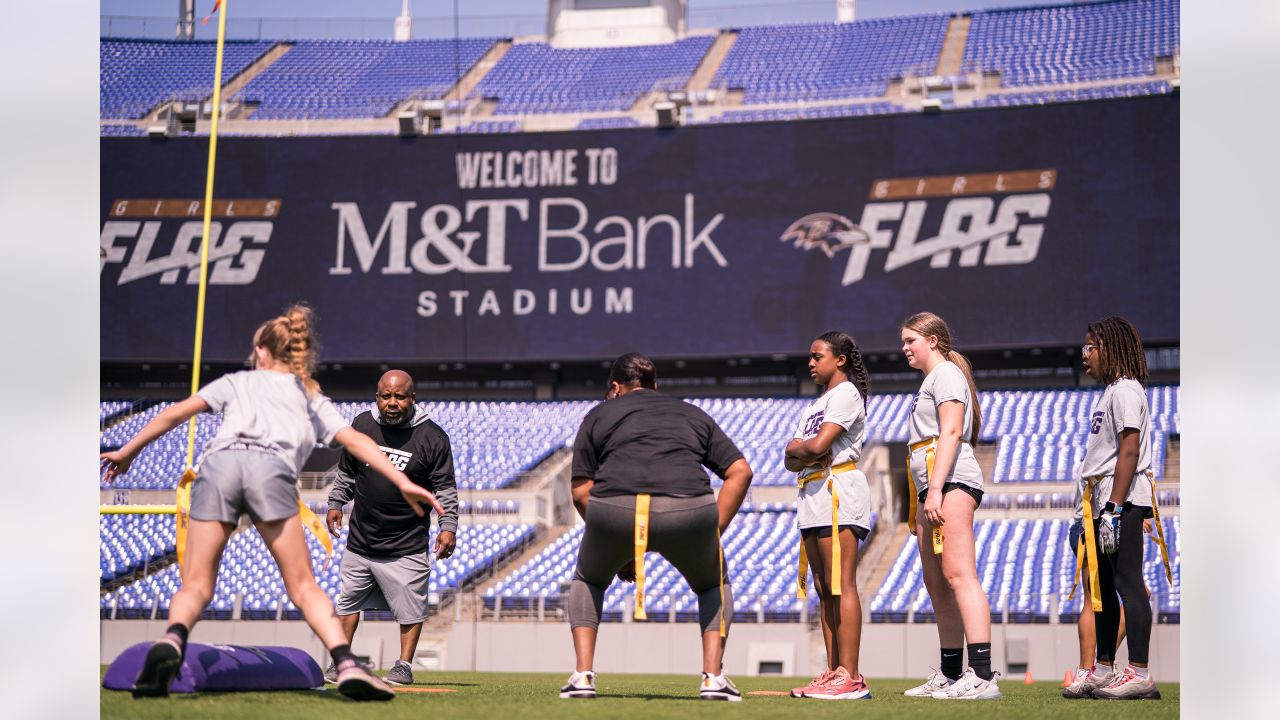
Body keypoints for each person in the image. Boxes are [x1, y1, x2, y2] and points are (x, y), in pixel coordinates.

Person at [100, 304, 444, 701]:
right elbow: (357, 441)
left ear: (262, 351)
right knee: (302, 586)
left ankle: (174, 640)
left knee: (196, 583)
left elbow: (176, 413)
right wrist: (402, 480)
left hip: (219, 466)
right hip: (270, 470)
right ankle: (347, 664)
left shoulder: (236, 382)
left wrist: (127, 451)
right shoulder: (309, 394)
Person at [561, 353, 754, 701]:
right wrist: (713, 530)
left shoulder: (598, 413)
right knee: (713, 584)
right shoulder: (691, 412)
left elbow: (580, 492)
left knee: (588, 579)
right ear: (655, 386)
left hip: (614, 507)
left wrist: (618, 547)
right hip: (688, 508)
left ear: (616, 388)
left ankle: (583, 676)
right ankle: (713, 678)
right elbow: (741, 471)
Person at [322, 369, 459, 686]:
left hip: (407, 543)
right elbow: (347, 473)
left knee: (411, 610)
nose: (392, 403)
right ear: (377, 397)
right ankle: (341, 660)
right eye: (386, 396)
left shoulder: (433, 438)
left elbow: (446, 490)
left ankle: (403, 666)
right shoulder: (362, 425)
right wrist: (335, 503)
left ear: (413, 398)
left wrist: (448, 526)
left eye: (400, 396)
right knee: (347, 603)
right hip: (361, 540)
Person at [899, 312, 1001, 701]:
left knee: (959, 574)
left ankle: (982, 674)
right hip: (931, 485)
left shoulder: (945, 376)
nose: (904, 348)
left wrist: (938, 488)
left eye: (911, 340)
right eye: (903, 341)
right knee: (937, 582)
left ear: (933, 341)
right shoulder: (931, 380)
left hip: (950, 481)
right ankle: (950, 671)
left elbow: (952, 431)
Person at [1062, 316, 1163, 700]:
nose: (1084, 355)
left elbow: (1129, 449)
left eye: (1090, 347)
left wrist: (1114, 508)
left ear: (1110, 349)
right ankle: (1104, 667)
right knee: (1102, 589)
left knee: (1128, 584)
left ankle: (1138, 671)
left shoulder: (1125, 392)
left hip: (1118, 500)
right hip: (1098, 500)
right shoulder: (1110, 393)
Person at [784, 331, 873, 700]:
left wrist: (801, 448)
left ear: (839, 360)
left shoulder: (847, 394)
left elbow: (819, 446)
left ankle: (849, 675)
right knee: (823, 588)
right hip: (812, 491)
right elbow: (790, 459)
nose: (810, 362)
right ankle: (833, 671)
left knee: (840, 583)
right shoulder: (814, 404)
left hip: (838, 489)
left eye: (816, 356)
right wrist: (800, 449)